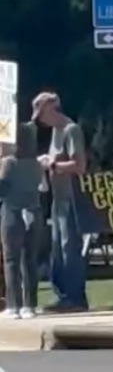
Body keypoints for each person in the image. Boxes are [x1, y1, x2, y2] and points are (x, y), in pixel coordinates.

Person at [32, 92, 88, 312]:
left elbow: (79, 165)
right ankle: (62, 295)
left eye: (42, 114)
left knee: (69, 248)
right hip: (58, 198)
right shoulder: (55, 132)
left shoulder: (70, 130)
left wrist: (53, 166)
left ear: (52, 109)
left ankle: (76, 298)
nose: (41, 120)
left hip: (72, 197)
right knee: (56, 247)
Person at [0, 123, 45, 318]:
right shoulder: (37, 164)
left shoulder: (9, 162)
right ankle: (30, 304)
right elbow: (43, 188)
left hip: (13, 212)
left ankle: (13, 305)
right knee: (30, 260)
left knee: (11, 259)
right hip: (34, 212)